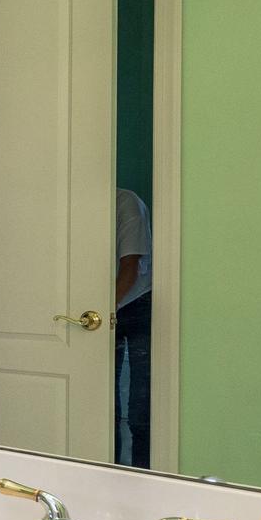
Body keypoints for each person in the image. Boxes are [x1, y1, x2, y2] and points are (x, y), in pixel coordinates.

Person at [114, 187, 152, 467]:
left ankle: (143, 472)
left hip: (138, 300)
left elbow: (131, 265)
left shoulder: (126, 202)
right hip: (101, 305)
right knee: (101, 396)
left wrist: (104, 312)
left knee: (141, 403)